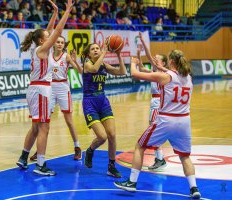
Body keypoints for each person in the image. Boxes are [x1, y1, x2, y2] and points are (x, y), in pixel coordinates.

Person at [114, 50, 201, 199]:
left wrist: (133, 64)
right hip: (184, 121)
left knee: (140, 146)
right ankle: (194, 188)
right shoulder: (188, 78)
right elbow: (172, 73)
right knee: (185, 157)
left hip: (167, 120)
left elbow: (135, 74)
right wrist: (160, 66)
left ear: (171, 62)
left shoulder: (164, 77)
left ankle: (132, 182)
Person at [16, 0, 73, 176]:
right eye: (47, 37)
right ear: (43, 40)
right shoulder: (42, 49)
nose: (51, 39)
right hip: (41, 90)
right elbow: (57, 32)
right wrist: (67, 11)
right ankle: (40, 165)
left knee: (35, 128)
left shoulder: (39, 47)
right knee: (44, 128)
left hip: (36, 89)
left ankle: (24, 157)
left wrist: (55, 13)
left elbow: (49, 31)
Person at [29, 36, 83, 161]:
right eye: (57, 42)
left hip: (63, 87)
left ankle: (77, 147)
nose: (59, 44)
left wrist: (75, 60)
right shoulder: (47, 54)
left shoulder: (67, 56)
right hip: (49, 87)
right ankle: (39, 150)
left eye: (62, 42)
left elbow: (80, 71)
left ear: (64, 45)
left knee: (69, 120)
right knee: (44, 122)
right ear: (53, 44)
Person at [82, 41, 126, 178]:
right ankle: (90, 150)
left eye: (97, 48)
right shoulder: (87, 64)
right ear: (89, 53)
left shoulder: (104, 66)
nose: (96, 50)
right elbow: (94, 69)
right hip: (90, 103)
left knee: (112, 135)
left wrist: (119, 55)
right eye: (93, 49)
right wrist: (105, 52)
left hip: (103, 102)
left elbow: (122, 72)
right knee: (102, 137)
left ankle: (111, 166)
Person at [137, 32, 168, 171]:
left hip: (158, 103)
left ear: (164, 63)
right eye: (154, 59)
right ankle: (159, 157)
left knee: (154, 130)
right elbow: (141, 68)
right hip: (155, 103)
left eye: (157, 59)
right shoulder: (155, 71)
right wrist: (138, 56)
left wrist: (143, 42)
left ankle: (160, 158)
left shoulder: (161, 72)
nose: (154, 60)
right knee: (155, 130)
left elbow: (148, 57)